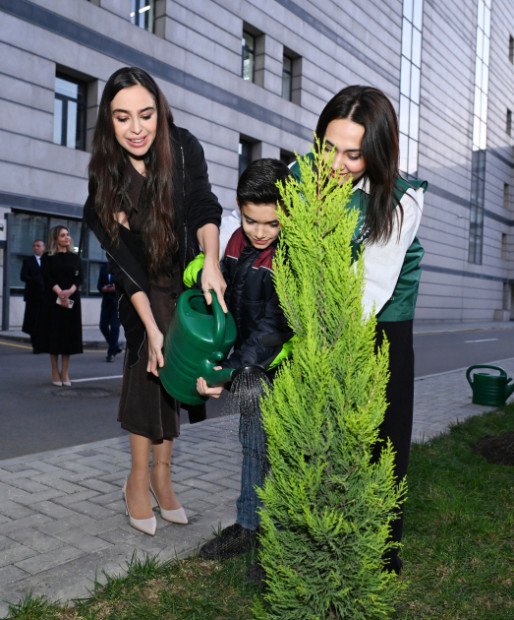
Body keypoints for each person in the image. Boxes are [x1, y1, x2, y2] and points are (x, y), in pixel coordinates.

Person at [84, 66, 226, 536]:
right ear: (108, 121)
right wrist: (150, 326)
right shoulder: (105, 179)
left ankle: (162, 475)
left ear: (160, 111)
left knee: (178, 377)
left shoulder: (183, 149)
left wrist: (211, 260)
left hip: (184, 280)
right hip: (140, 290)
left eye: (145, 114)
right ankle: (137, 478)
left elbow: (203, 204)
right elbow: (126, 265)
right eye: (122, 117)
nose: (136, 128)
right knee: (152, 363)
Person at [292, 85, 427, 574]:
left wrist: (326, 348)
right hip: (312, 319)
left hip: (379, 329)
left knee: (380, 444)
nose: (335, 164)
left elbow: (369, 287)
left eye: (353, 154)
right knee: (312, 439)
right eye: (328, 147)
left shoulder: (402, 199)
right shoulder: (300, 177)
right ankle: (315, 544)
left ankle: (378, 556)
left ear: (377, 152)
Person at [196, 158, 294, 560]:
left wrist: (230, 372)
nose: (261, 232)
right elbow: (217, 284)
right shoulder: (234, 243)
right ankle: (249, 526)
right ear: (240, 207)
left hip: (280, 367)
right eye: (252, 221)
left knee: (285, 452)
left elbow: (273, 327)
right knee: (253, 443)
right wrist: (199, 272)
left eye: (273, 224)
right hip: (249, 365)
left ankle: (282, 538)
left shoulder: (290, 256)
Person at [40, 225, 83, 386]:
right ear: (55, 238)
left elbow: (79, 278)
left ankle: (65, 372)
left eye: (68, 235)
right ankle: (54, 370)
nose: (67, 238)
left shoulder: (75, 257)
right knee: (54, 335)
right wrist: (60, 293)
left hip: (72, 299)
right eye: (63, 235)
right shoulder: (48, 257)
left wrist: (69, 292)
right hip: (53, 299)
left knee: (68, 336)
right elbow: (47, 277)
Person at [20, 239, 46, 353]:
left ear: (43, 248)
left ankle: (43, 344)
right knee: (33, 322)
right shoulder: (28, 261)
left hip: (45, 297)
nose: (36, 248)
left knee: (43, 322)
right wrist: (35, 280)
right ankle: (36, 346)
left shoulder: (48, 261)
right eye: (34, 246)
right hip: (32, 297)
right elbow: (23, 276)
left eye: (38, 246)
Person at [97, 261, 122, 362]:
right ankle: (115, 346)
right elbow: (99, 286)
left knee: (115, 327)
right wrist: (104, 289)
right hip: (106, 303)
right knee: (103, 326)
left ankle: (111, 353)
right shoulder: (104, 268)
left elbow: (126, 286)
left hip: (117, 303)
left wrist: (117, 288)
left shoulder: (121, 267)